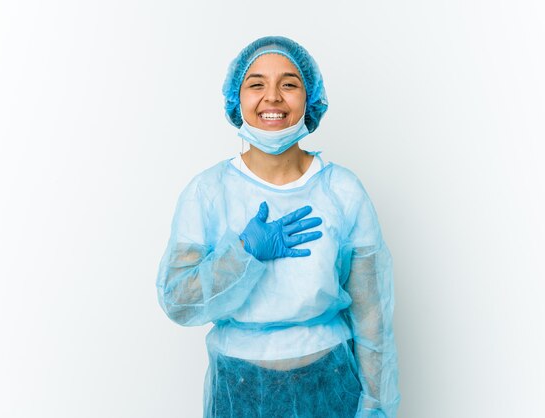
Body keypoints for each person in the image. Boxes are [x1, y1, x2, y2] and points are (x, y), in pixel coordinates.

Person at [156, 36, 400, 418]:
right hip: (239, 389)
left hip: (330, 383)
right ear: (237, 100)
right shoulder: (208, 192)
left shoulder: (342, 191)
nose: (272, 97)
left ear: (309, 99)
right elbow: (178, 302)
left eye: (289, 84)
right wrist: (242, 253)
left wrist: (375, 402)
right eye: (256, 84)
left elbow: (372, 315)